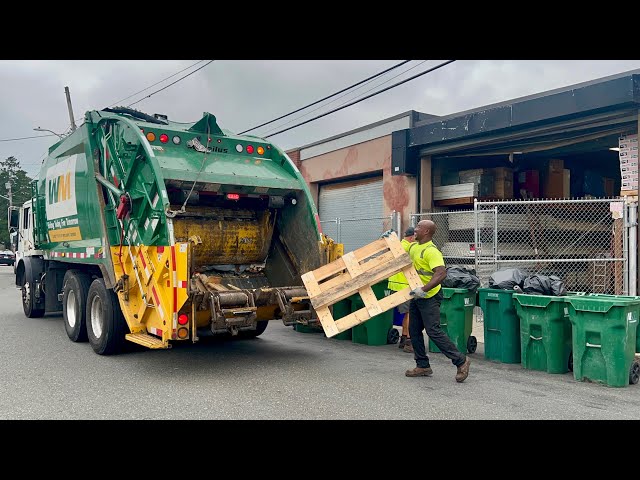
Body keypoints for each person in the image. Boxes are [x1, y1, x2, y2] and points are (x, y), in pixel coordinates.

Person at [404, 219, 471, 383]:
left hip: (429, 296)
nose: (415, 229)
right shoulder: (415, 246)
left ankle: (461, 361)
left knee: (433, 331)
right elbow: (401, 248)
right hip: (418, 295)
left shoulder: (431, 251)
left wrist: (424, 290)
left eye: (419, 227)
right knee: (414, 330)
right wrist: (388, 238)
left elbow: (441, 273)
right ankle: (423, 365)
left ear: (426, 232)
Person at [387, 227, 416, 353]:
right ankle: (409, 341)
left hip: (394, 285)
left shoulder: (398, 246)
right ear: (411, 237)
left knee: (405, 314)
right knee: (410, 314)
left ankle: (403, 338)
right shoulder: (409, 248)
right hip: (404, 285)